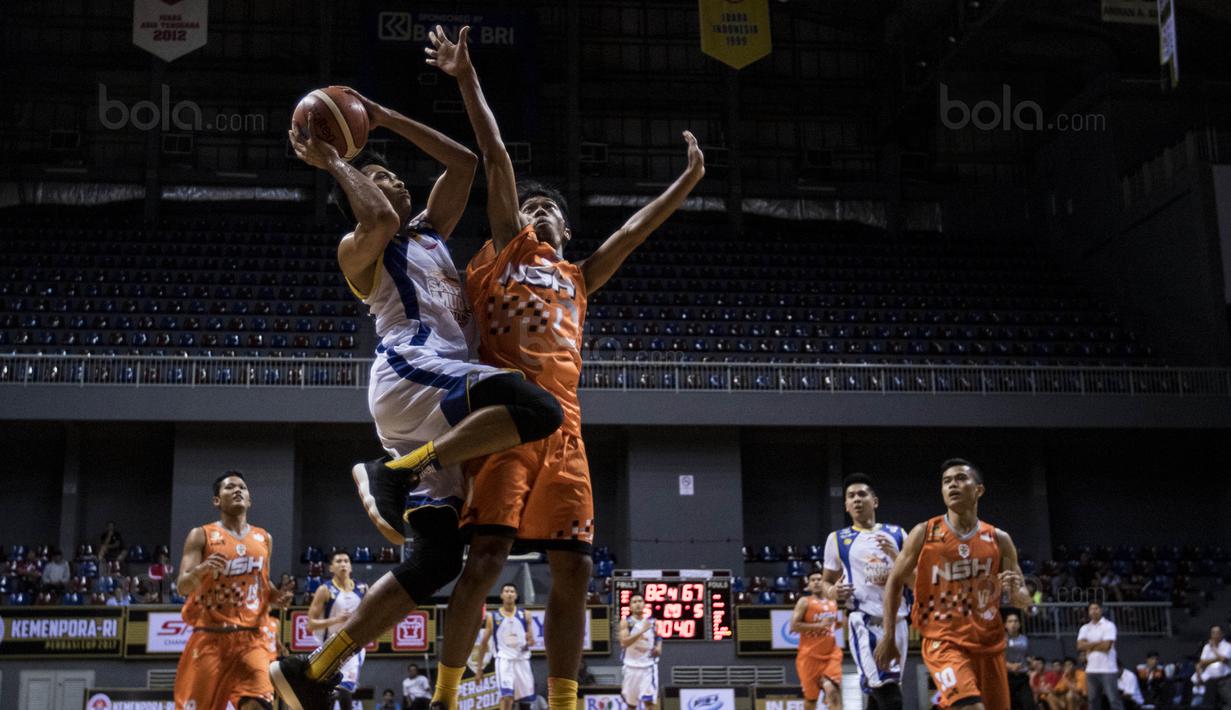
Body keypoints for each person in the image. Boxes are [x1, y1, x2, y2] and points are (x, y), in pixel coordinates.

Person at [424, 25, 705, 710]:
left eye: (550, 208)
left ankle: (564, 701)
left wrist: (687, 181)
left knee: (574, 570)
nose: (538, 209)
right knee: (485, 561)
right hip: (506, 422)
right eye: (530, 206)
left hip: (567, 433)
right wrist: (466, 79)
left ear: (567, 231)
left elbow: (632, 233)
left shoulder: (578, 275)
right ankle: (444, 695)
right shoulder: (506, 251)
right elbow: (493, 158)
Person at [272, 84, 565, 710]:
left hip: (435, 406)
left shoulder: (431, 232)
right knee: (539, 409)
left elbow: (463, 161)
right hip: (412, 373)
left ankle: (314, 672)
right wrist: (336, 161)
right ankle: (396, 470)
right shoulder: (361, 247)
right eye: (380, 178)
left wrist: (381, 115)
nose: (395, 185)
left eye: (397, 180)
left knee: (435, 562)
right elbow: (376, 216)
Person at [874, 458, 1032, 710]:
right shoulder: (924, 533)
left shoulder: (999, 539)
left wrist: (1016, 592)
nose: (952, 485)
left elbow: (1023, 598)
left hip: (988, 644)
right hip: (943, 641)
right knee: (971, 707)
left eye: (960, 479)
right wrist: (889, 636)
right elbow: (894, 581)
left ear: (978, 490)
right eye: (947, 481)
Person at [173, 470, 293, 709]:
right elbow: (182, 587)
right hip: (211, 636)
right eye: (229, 487)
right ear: (217, 500)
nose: (237, 490)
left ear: (249, 499)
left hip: (252, 639)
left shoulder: (263, 538)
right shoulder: (201, 535)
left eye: (242, 487)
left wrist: (275, 595)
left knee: (259, 704)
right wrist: (202, 569)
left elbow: (262, 583)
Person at [818, 472, 908, 710]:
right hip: (865, 620)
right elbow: (826, 584)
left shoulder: (898, 534)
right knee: (889, 694)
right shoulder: (837, 539)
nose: (856, 499)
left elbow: (915, 579)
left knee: (880, 691)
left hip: (898, 621)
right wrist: (833, 592)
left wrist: (897, 558)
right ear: (846, 506)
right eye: (851, 496)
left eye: (862, 494)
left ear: (874, 501)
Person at [306, 550, 369, 710]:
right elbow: (310, 624)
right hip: (330, 646)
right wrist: (336, 620)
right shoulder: (325, 590)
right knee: (324, 692)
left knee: (344, 689)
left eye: (346, 561)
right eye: (339, 561)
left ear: (351, 566)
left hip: (354, 647)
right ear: (331, 568)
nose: (343, 564)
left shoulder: (362, 589)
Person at [474, 583, 536, 710]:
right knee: (507, 696)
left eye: (512, 591)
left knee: (526, 702)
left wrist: (527, 643)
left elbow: (531, 640)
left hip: (522, 660)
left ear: (516, 596)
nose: (509, 593)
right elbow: (483, 644)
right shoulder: (493, 617)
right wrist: (479, 669)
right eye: (506, 591)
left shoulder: (526, 615)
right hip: (504, 660)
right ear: (501, 595)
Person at [792, 572, 843, 710]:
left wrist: (841, 623)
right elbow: (794, 626)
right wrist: (819, 625)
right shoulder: (804, 602)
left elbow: (834, 624)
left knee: (832, 691)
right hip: (809, 656)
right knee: (811, 700)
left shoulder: (833, 602)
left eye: (819, 579)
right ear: (808, 585)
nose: (816, 582)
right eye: (813, 580)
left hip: (831, 653)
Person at [1078, 601, 1125, 710]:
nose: (1094, 611)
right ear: (1088, 612)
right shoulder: (1085, 628)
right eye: (1091, 609)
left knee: (1114, 700)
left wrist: (1088, 645)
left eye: (1096, 608)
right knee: (1093, 701)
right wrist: (1098, 643)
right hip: (1091, 670)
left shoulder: (1109, 625)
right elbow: (1080, 646)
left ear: (1101, 610)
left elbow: (1107, 646)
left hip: (1108, 669)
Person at [619, 594, 662, 710]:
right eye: (634, 602)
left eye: (640, 601)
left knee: (649, 704)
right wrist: (641, 631)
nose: (637, 604)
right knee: (631, 705)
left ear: (644, 604)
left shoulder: (652, 622)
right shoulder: (626, 623)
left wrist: (658, 647)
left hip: (648, 667)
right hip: (630, 666)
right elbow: (623, 643)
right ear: (630, 606)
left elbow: (658, 637)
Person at [1197, 624, 1231, 708]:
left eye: (1217, 632)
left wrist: (1214, 649)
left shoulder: (1228, 646)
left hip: (1225, 680)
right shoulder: (1206, 647)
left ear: (1222, 634)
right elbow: (1202, 662)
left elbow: (1224, 660)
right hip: (1211, 680)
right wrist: (1217, 658)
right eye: (1213, 633)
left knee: (1228, 703)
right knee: (1210, 705)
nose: (1215, 635)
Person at [1004, 613, 1033, 710]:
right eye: (1010, 621)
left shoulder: (1024, 639)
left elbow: (1027, 656)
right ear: (1006, 625)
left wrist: (1031, 661)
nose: (1013, 624)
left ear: (1019, 624)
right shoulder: (1002, 640)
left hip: (1023, 676)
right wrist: (1010, 666)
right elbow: (999, 660)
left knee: (1028, 705)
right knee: (1011, 705)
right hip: (1008, 677)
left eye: (1016, 621)